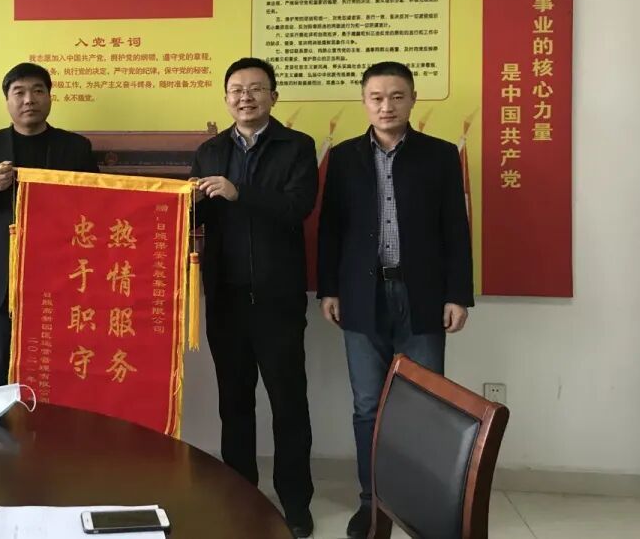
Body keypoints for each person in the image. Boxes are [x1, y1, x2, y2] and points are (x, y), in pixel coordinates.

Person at [317, 61, 473, 538]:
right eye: (377, 97)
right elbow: (331, 229)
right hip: (361, 295)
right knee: (368, 405)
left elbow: (456, 228)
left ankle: (424, 502)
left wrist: (458, 295)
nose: (387, 106)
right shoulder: (344, 157)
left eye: (397, 96)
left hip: (422, 294)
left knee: (425, 406)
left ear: (413, 99)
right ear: (364, 102)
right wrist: (329, 288)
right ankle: (372, 503)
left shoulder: (440, 155)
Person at [190, 57, 318, 539]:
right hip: (225, 297)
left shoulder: (297, 146)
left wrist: (237, 191)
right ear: (226, 98)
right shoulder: (209, 151)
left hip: (277, 298)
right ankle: (241, 497)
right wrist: (191, 205)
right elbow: (197, 221)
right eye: (237, 90)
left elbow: (296, 207)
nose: (245, 97)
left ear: (273, 97)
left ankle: (296, 504)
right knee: (235, 403)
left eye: (256, 89)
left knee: (289, 404)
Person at [0, 62, 97, 387]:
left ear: (50, 97)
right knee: (2, 373)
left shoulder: (76, 148)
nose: (29, 99)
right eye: (19, 92)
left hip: (63, 281)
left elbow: (98, 206)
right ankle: (2, 423)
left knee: (62, 374)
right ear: (7, 100)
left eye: (37, 91)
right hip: (2, 284)